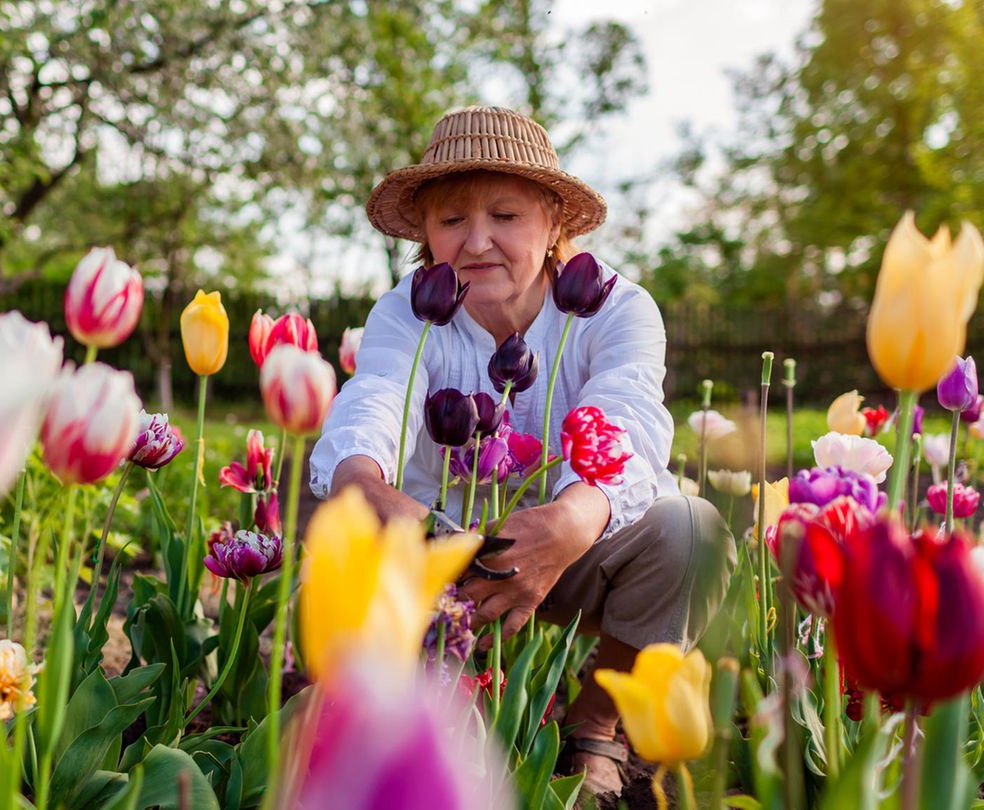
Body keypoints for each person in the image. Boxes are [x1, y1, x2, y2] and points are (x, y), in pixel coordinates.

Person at [309, 107, 734, 797]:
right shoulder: (408, 315)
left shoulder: (616, 310)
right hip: (448, 555)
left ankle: (596, 726)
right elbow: (374, 399)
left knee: (691, 530)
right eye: (451, 221)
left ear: (554, 222)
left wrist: (570, 520)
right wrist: (363, 483)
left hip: (583, 546)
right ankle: (456, 731)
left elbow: (626, 420)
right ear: (425, 233)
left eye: (505, 215)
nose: (478, 241)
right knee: (339, 582)